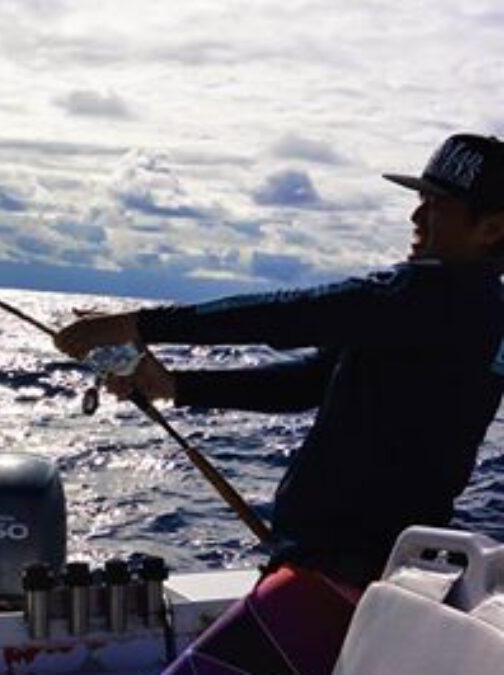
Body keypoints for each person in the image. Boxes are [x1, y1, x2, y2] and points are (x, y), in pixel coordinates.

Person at [54, 133, 504, 675]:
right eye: (420, 197)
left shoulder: (433, 297)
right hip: (374, 578)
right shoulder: (474, 312)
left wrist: (136, 324)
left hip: (332, 582)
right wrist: (176, 385)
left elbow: (292, 314)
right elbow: (308, 382)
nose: (416, 215)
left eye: (438, 205)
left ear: (492, 228)